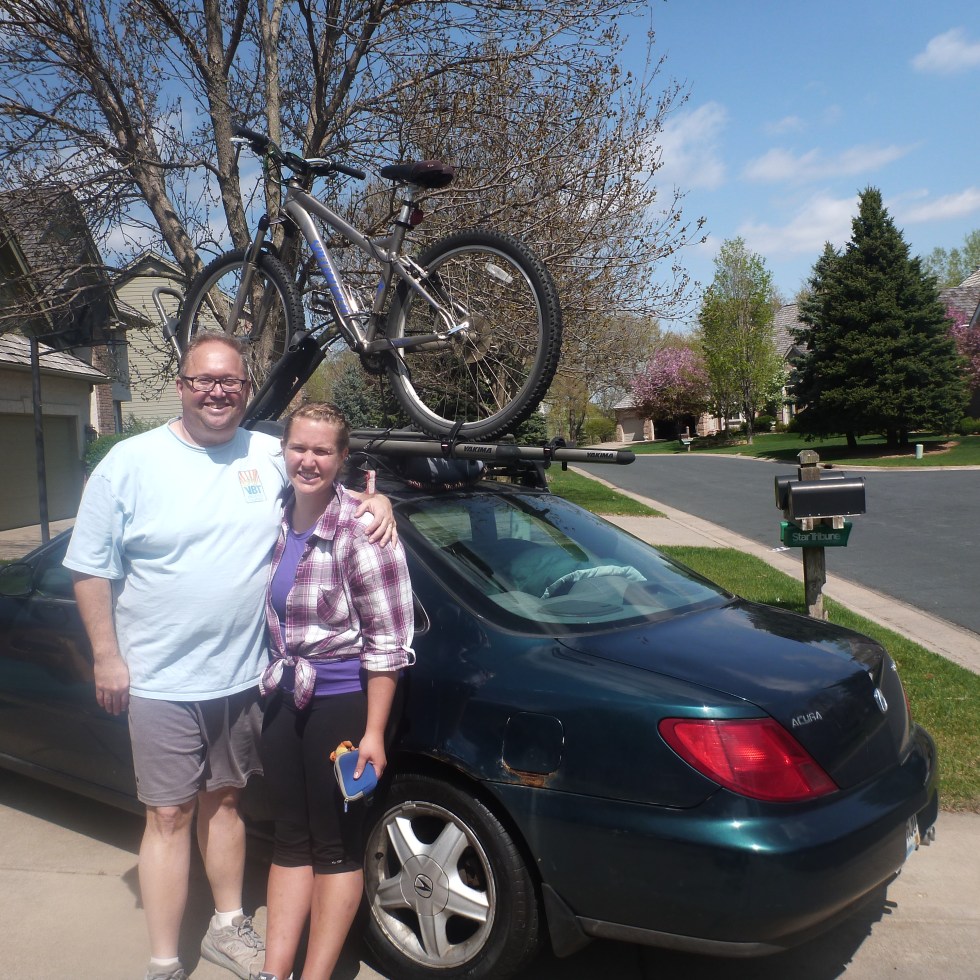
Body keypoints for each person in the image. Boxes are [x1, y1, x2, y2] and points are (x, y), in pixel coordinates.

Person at [64, 334, 394, 980]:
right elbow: (88, 568)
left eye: (231, 383)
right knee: (167, 813)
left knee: (224, 803)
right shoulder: (129, 463)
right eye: (203, 380)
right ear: (182, 384)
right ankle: (164, 960)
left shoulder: (269, 452)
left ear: (246, 390)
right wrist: (107, 655)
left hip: (247, 678)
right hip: (159, 678)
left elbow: (325, 479)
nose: (217, 391)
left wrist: (376, 501)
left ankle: (226, 926)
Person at [255, 403, 414, 980]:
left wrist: (373, 732)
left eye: (323, 450)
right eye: (299, 447)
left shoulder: (362, 528)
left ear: (343, 458)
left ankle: (316, 975)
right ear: (284, 449)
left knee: (334, 846)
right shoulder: (275, 515)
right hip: (283, 693)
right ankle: (276, 973)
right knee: (289, 838)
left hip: (343, 702)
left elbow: (388, 641)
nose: (309, 460)